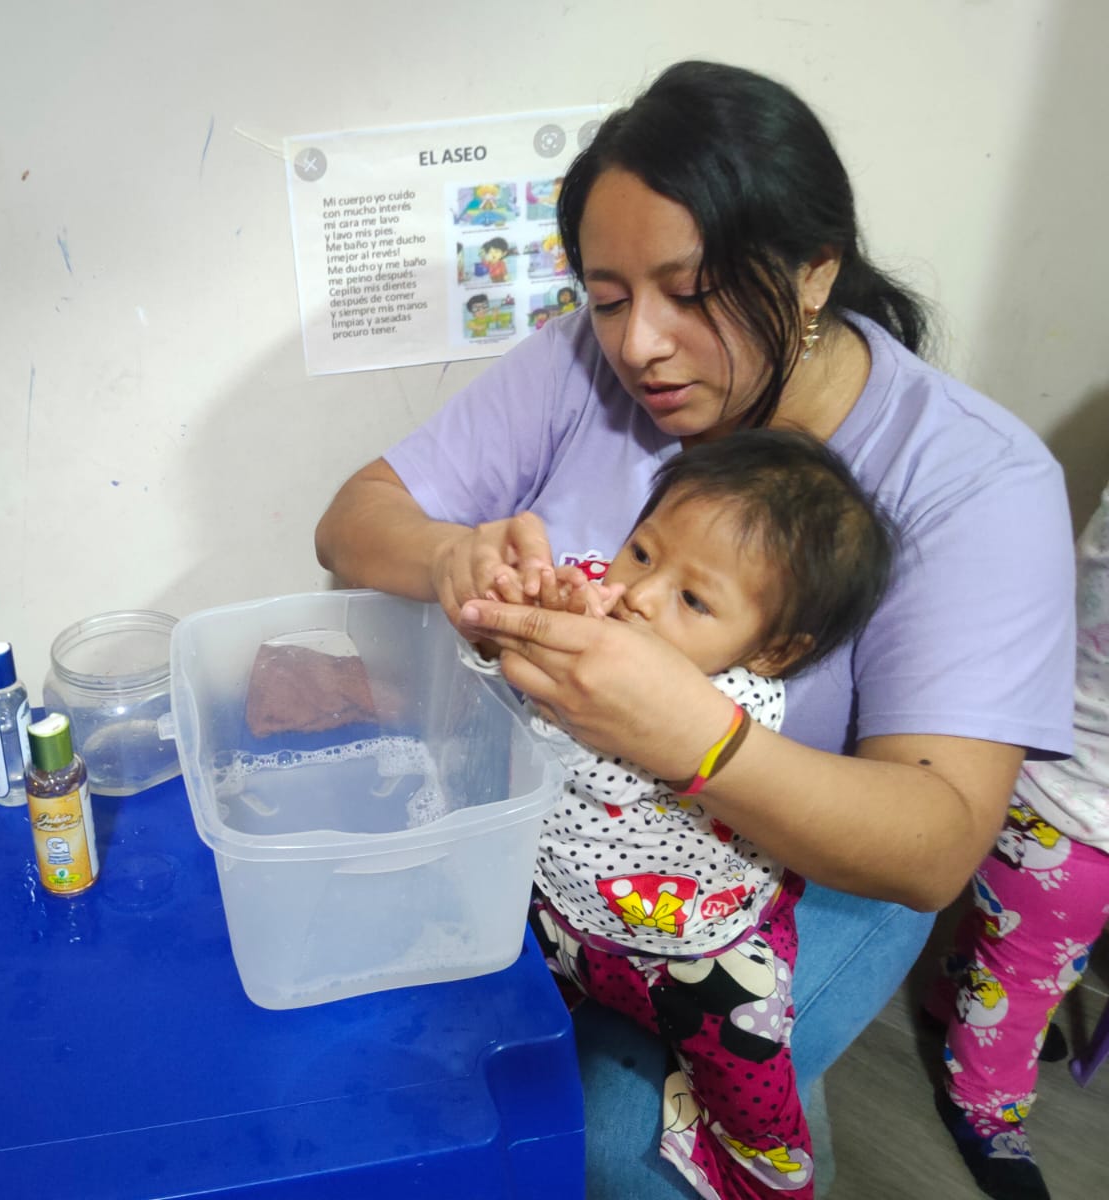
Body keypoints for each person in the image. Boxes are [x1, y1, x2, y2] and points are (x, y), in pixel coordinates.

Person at [313, 60, 1077, 1198]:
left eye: (693, 291)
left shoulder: (973, 480)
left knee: (629, 1154)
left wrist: (692, 738)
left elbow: (931, 845)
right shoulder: (582, 363)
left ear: (814, 270)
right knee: (399, 1043)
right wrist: (450, 556)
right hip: (565, 827)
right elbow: (352, 522)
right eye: (609, 296)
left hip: (794, 875)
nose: (639, 347)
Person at [492, 429, 894, 1199]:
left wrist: (548, 665)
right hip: (565, 912)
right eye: (642, 552)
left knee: (747, 1088)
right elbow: (510, 678)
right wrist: (520, 613)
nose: (640, 593)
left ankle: (764, 1173)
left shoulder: (741, 700)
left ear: (773, 649)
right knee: (513, 1018)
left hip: (697, 952)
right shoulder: (601, 600)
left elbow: (594, 765)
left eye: (694, 599)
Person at [923, 480, 1109, 1200]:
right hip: (1074, 805)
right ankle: (982, 1103)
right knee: (1030, 971)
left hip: (1050, 778)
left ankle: (955, 992)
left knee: (1020, 941)